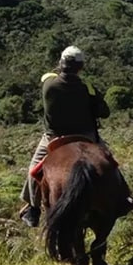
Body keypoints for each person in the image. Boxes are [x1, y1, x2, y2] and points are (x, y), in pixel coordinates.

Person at [18, 45, 111, 227]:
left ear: (61, 64)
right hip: (86, 136)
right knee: (110, 162)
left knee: (33, 170)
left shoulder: (48, 85)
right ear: (81, 67)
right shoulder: (88, 88)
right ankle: (124, 198)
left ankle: (33, 208)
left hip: (55, 138)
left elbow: (49, 75)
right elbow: (104, 112)